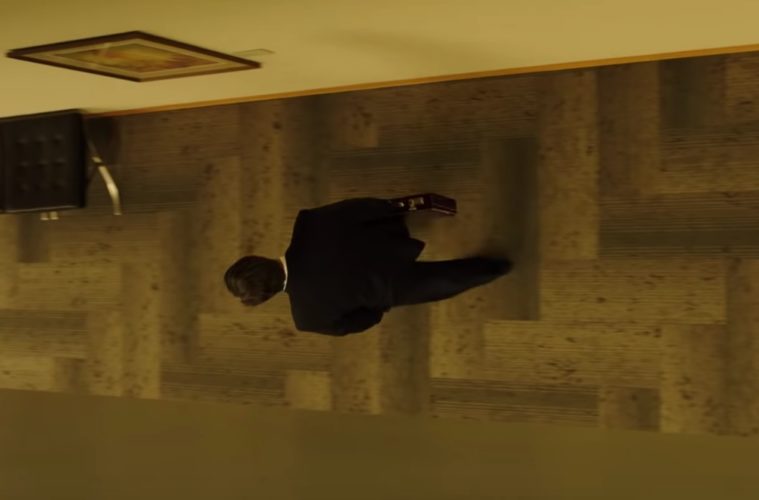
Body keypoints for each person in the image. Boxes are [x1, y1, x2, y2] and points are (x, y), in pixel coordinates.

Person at [224, 197, 511, 336]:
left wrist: (377, 302)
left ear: (266, 297)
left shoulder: (309, 319)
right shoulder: (307, 224)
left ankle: (496, 267)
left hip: (391, 286)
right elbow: (361, 207)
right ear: (257, 258)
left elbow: (364, 321)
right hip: (389, 238)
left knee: (447, 281)